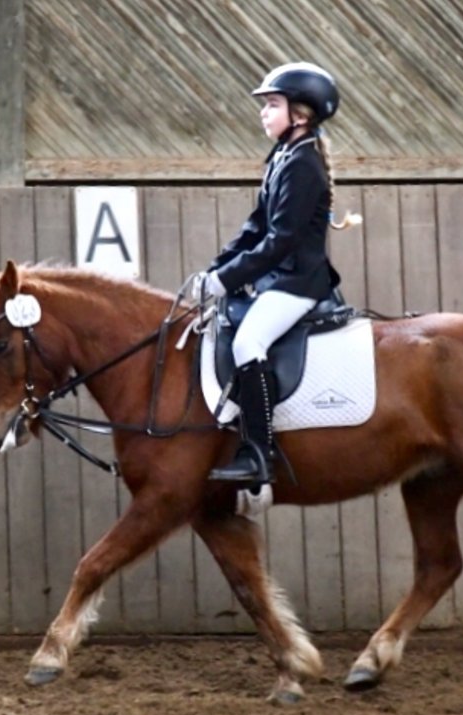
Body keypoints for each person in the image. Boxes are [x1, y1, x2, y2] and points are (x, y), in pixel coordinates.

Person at [196, 62, 360, 487]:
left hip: (298, 282)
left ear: (300, 115)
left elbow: (280, 240)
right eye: (265, 105)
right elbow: (255, 227)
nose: (263, 113)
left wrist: (227, 280)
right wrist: (216, 269)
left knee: (249, 342)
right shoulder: (283, 157)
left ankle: (259, 454)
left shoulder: (304, 165)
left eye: (272, 105)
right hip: (279, 279)